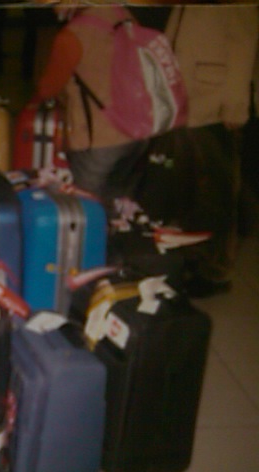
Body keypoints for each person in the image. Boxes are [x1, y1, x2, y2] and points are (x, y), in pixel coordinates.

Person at [163, 5, 258, 297]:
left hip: (215, 103)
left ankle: (216, 272)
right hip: (187, 96)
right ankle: (193, 258)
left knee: (216, 194)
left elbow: (244, 44)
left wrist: (235, 106)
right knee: (190, 188)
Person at [29, 5, 150, 213]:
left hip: (99, 139)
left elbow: (48, 88)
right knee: (118, 208)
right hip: (138, 133)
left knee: (86, 212)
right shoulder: (123, 15)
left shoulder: (73, 35)